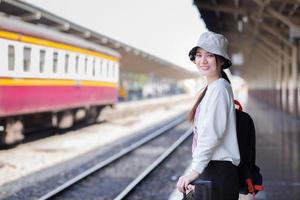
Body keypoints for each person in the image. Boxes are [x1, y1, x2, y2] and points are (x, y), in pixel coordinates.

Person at [176, 31, 241, 200]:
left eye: (209, 55)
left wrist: (193, 172)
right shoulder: (213, 88)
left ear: (220, 60)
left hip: (218, 173)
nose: (202, 61)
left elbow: (211, 135)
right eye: (199, 55)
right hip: (214, 171)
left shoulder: (219, 88)